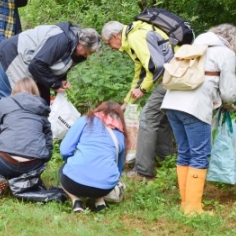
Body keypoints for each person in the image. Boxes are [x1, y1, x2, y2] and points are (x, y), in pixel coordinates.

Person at [161, 24, 236, 215]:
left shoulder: (193, 47)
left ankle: (185, 203)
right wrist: (228, 104)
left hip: (171, 103)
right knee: (200, 154)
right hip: (195, 108)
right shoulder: (226, 54)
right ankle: (193, 208)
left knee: (185, 152)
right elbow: (228, 93)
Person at [101, 20, 177, 180]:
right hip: (175, 75)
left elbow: (155, 66)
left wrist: (143, 90)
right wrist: (127, 102)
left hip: (172, 77)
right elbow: (140, 72)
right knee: (160, 118)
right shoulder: (133, 36)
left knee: (147, 119)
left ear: (115, 36)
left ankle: (142, 171)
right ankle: (167, 161)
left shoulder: (135, 37)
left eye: (109, 43)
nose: (111, 48)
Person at [0, 22, 102, 104]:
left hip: (28, 65)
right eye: (88, 52)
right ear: (81, 44)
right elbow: (36, 65)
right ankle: (5, 135)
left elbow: (49, 68)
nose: (87, 55)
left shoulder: (74, 49)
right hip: (9, 57)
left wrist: (60, 81)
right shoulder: (61, 40)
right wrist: (55, 84)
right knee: (12, 104)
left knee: (41, 104)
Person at [0, 77, 53, 198]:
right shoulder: (42, 107)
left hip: (4, 160)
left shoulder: (3, 103)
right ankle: (22, 178)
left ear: (15, 89)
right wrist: (44, 158)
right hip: (33, 164)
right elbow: (48, 137)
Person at [58, 101, 127, 213]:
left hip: (74, 182)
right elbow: (118, 168)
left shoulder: (86, 121)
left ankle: (76, 201)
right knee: (99, 171)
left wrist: (71, 161)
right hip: (104, 188)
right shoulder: (120, 134)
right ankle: (99, 202)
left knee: (63, 170)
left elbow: (65, 150)